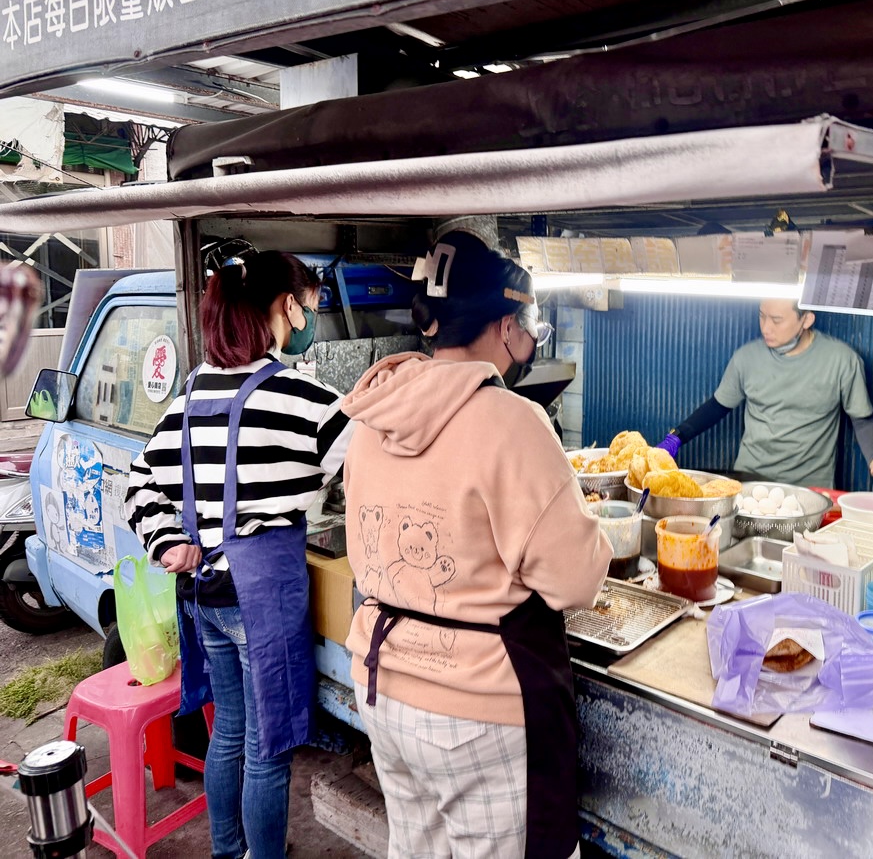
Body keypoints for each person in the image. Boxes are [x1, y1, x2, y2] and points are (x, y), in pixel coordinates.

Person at [341, 230, 611, 859]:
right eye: (525, 322)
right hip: (476, 708)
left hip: (383, 689)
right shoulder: (511, 421)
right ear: (506, 323)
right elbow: (575, 581)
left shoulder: (375, 414)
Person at [125, 250, 354, 859]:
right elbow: (372, 470)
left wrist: (166, 540)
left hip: (204, 594)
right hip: (265, 598)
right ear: (286, 307)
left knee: (229, 730)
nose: (308, 317)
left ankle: (227, 850)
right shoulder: (306, 401)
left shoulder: (185, 401)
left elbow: (138, 482)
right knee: (267, 745)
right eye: (307, 305)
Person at [656, 299, 873, 488]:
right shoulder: (746, 358)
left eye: (776, 320)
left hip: (810, 489)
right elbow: (718, 407)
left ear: (806, 319)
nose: (766, 327)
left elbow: (863, 420)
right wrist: (678, 436)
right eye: (762, 316)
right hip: (748, 481)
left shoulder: (842, 360)